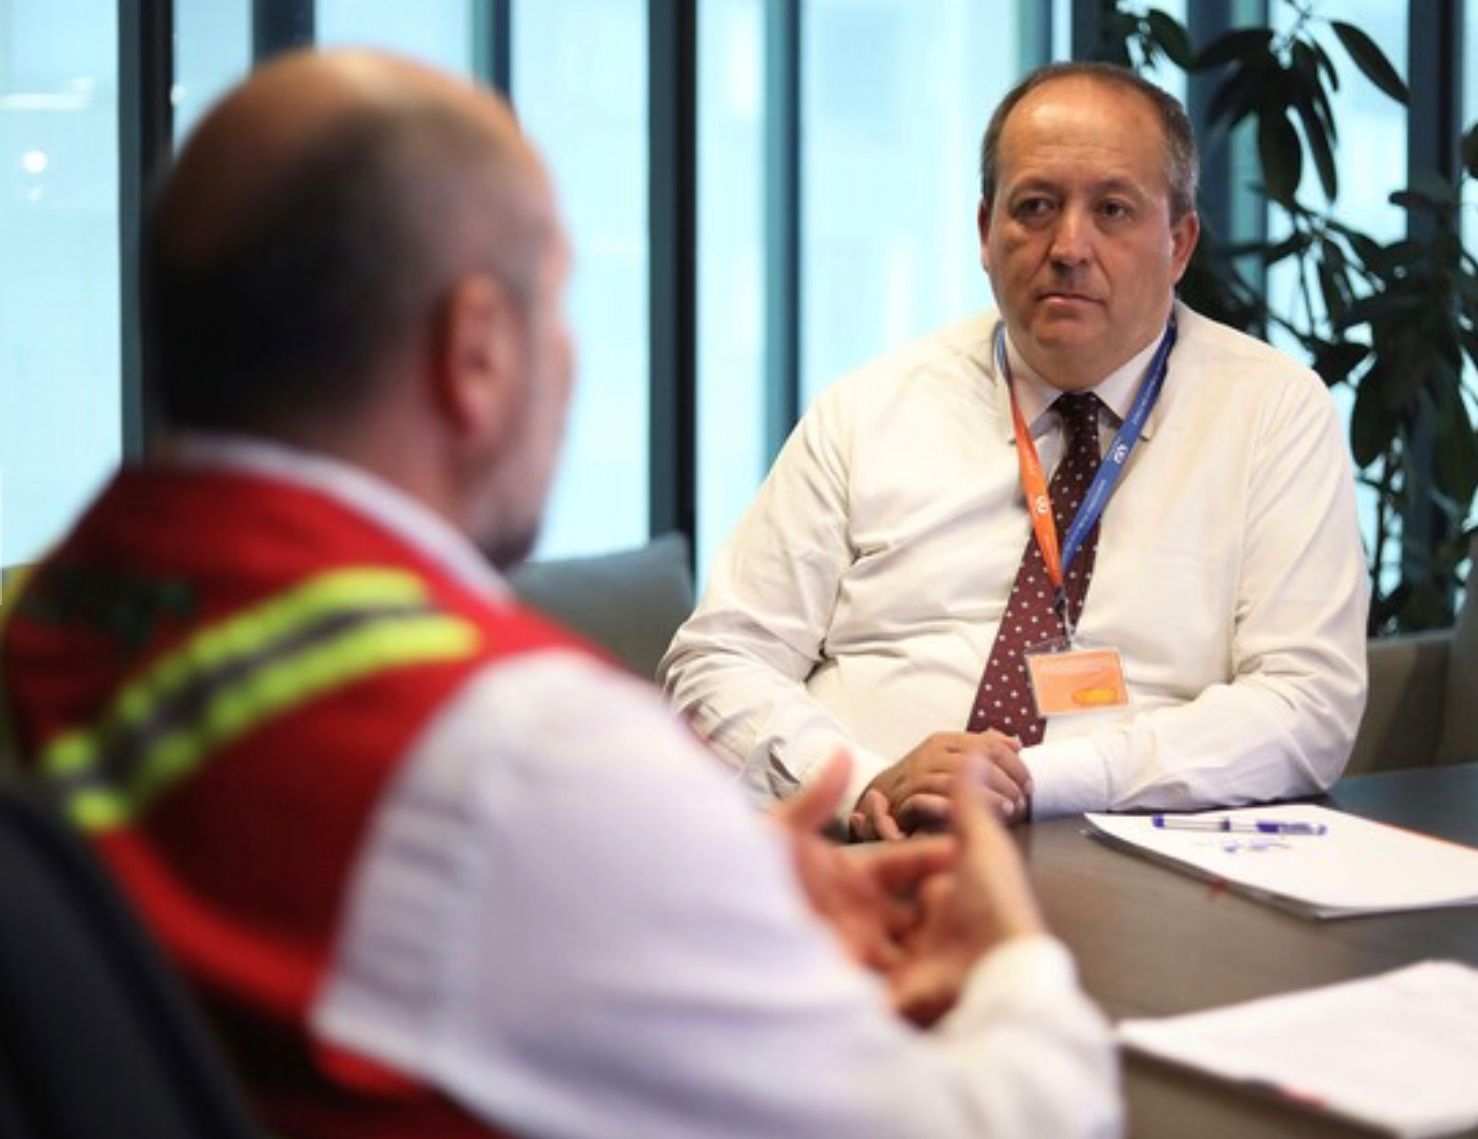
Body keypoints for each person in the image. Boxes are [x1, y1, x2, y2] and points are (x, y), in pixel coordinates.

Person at [0, 50, 1121, 1139]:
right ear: (476, 350)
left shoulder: (61, 611)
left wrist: (677, 890)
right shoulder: (518, 752)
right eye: (556, 305)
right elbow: (1012, 1120)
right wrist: (1011, 953)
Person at [660, 62, 1368, 840]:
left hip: (1116, 851)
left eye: (1113, 210)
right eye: (1035, 206)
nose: (1069, 245)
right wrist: (863, 782)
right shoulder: (871, 407)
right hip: (854, 848)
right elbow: (714, 664)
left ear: (1179, 243)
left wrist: (1037, 780)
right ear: (985, 235)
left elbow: (1308, 705)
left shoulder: (1270, 412)